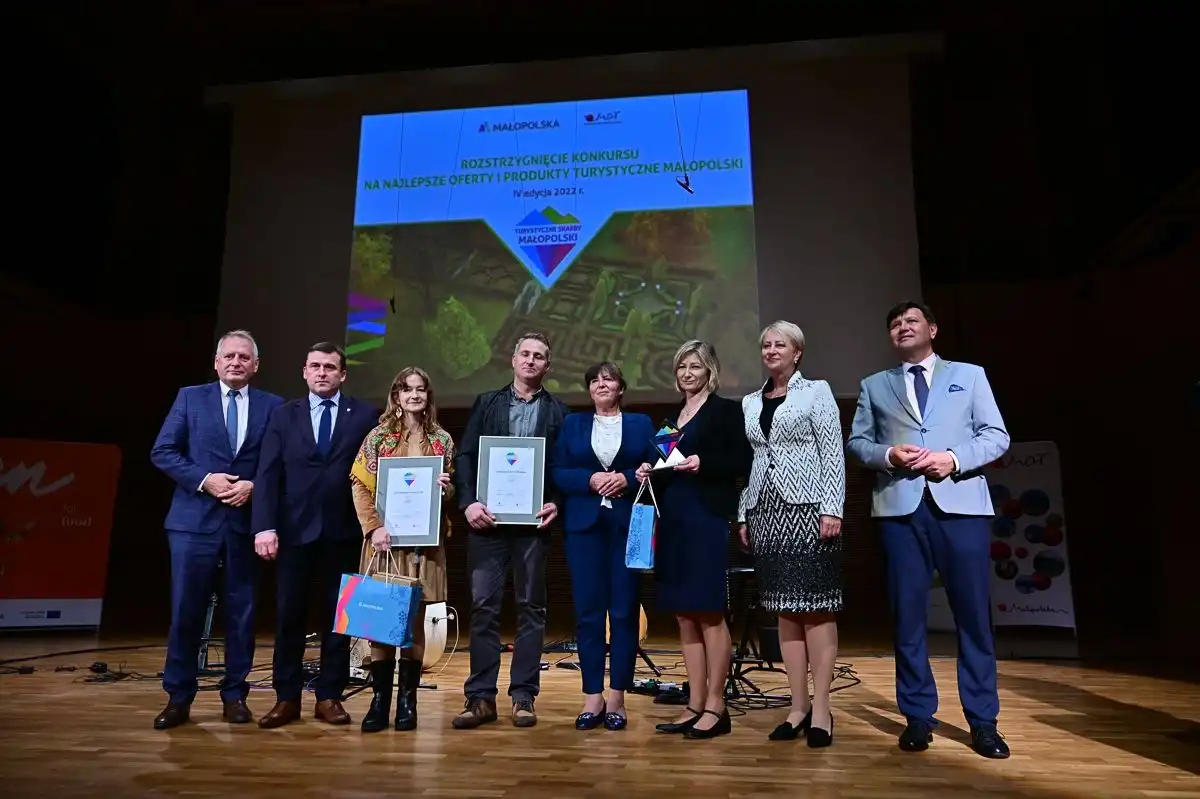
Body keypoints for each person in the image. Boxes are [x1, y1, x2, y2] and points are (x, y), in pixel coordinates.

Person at [847, 300, 1011, 759]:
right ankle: (918, 715)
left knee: (973, 617)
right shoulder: (874, 385)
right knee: (907, 617)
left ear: (932, 330)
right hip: (900, 512)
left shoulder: (970, 375)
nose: (902, 327)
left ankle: (983, 721)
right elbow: (857, 444)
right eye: (895, 323)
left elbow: (996, 435)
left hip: (961, 507)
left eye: (911, 320)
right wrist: (888, 455)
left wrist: (953, 459)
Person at [149, 330, 283, 730]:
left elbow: (278, 463)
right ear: (216, 361)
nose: (236, 362)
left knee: (242, 615)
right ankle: (178, 698)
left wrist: (254, 486)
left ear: (255, 366)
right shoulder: (190, 398)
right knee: (185, 612)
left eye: (244, 357)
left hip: (245, 526)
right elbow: (163, 451)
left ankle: (235, 695)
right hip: (192, 525)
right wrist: (205, 480)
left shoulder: (274, 406)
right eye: (229, 356)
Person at [250, 342, 379, 729]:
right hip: (293, 533)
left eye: (330, 367)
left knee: (339, 618)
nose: (322, 373)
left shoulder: (365, 415)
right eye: (316, 366)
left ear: (343, 374)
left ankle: (329, 696)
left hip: (344, 532)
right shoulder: (283, 415)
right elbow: (268, 474)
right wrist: (264, 526)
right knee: (289, 615)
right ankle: (286, 698)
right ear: (305, 372)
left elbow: (378, 471)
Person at [452, 332, 568, 729]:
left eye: (539, 356)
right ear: (513, 359)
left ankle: (523, 697)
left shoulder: (559, 411)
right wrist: (468, 503)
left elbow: (563, 467)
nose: (531, 360)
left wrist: (557, 502)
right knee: (483, 607)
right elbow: (466, 456)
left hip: (533, 525)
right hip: (488, 523)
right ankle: (480, 698)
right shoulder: (487, 402)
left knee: (531, 608)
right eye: (525, 354)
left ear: (547, 366)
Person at [636, 340, 751, 739]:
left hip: (706, 517)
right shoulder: (673, 418)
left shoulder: (724, 411)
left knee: (708, 611)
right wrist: (648, 469)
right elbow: (664, 465)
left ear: (710, 371)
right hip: (674, 520)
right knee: (684, 614)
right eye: (682, 366)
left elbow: (742, 460)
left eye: (695, 366)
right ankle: (695, 703)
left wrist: (705, 463)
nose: (688, 373)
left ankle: (717, 706)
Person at [738, 321, 845, 747]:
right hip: (765, 511)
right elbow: (753, 460)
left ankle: (822, 709)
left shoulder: (816, 392)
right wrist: (744, 513)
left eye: (779, 344)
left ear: (797, 352)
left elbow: (832, 452)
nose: (771, 350)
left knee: (816, 608)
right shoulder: (750, 401)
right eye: (765, 344)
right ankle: (797, 706)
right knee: (784, 609)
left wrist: (832, 508)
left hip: (809, 508)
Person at [550, 362, 657, 731]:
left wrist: (626, 478)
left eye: (608, 379)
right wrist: (591, 479)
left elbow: (657, 463)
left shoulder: (641, 424)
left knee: (624, 612)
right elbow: (558, 471)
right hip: (584, 526)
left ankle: (617, 697)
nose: (601, 384)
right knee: (589, 613)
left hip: (628, 526)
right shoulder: (573, 424)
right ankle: (592, 696)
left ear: (621, 387)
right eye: (594, 380)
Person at [349, 366, 456, 733]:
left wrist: (446, 489)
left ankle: (408, 703)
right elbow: (359, 485)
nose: (414, 395)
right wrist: (373, 527)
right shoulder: (378, 437)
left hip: (424, 544)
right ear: (396, 396)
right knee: (382, 622)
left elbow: (450, 491)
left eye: (420, 389)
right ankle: (379, 702)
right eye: (407, 389)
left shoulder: (442, 439)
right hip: (386, 543)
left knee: (415, 621)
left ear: (428, 395)